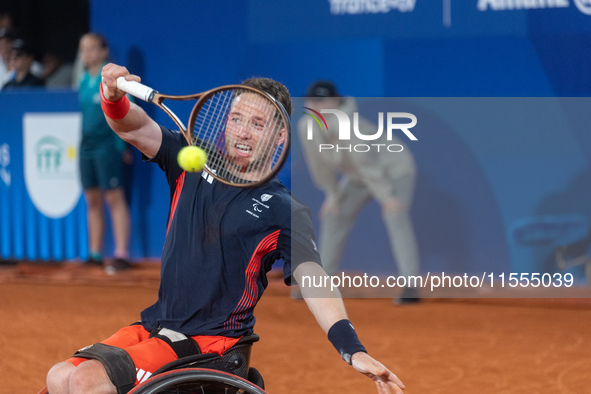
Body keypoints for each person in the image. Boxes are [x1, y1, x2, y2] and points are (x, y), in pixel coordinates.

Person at [44, 64, 406, 394]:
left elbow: (314, 278)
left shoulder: (284, 208)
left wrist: (351, 349)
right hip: (157, 325)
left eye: (257, 124)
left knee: (87, 383)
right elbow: (133, 125)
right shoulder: (190, 157)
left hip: (210, 343)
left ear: (279, 137)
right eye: (236, 119)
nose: (242, 132)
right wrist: (111, 96)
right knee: (59, 377)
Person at [297, 80, 421, 304]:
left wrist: (387, 198)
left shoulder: (348, 125)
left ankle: (410, 285)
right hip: (358, 176)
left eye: (323, 101)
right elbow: (319, 167)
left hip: (394, 169)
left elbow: (366, 164)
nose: (317, 105)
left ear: (335, 101)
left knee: (395, 214)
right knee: (333, 216)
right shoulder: (306, 126)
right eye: (313, 101)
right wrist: (332, 196)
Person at [77, 33, 131, 271]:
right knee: (92, 199)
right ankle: (95, 253)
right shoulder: (82, 80)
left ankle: (121, 254)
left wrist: (122, 146)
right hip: (86, 148)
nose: (85, 54)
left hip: (107, 147)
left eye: (90, 49)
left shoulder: (109, 80)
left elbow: (121, 113)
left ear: (103, 51)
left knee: (114, 198)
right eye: (82, 49)